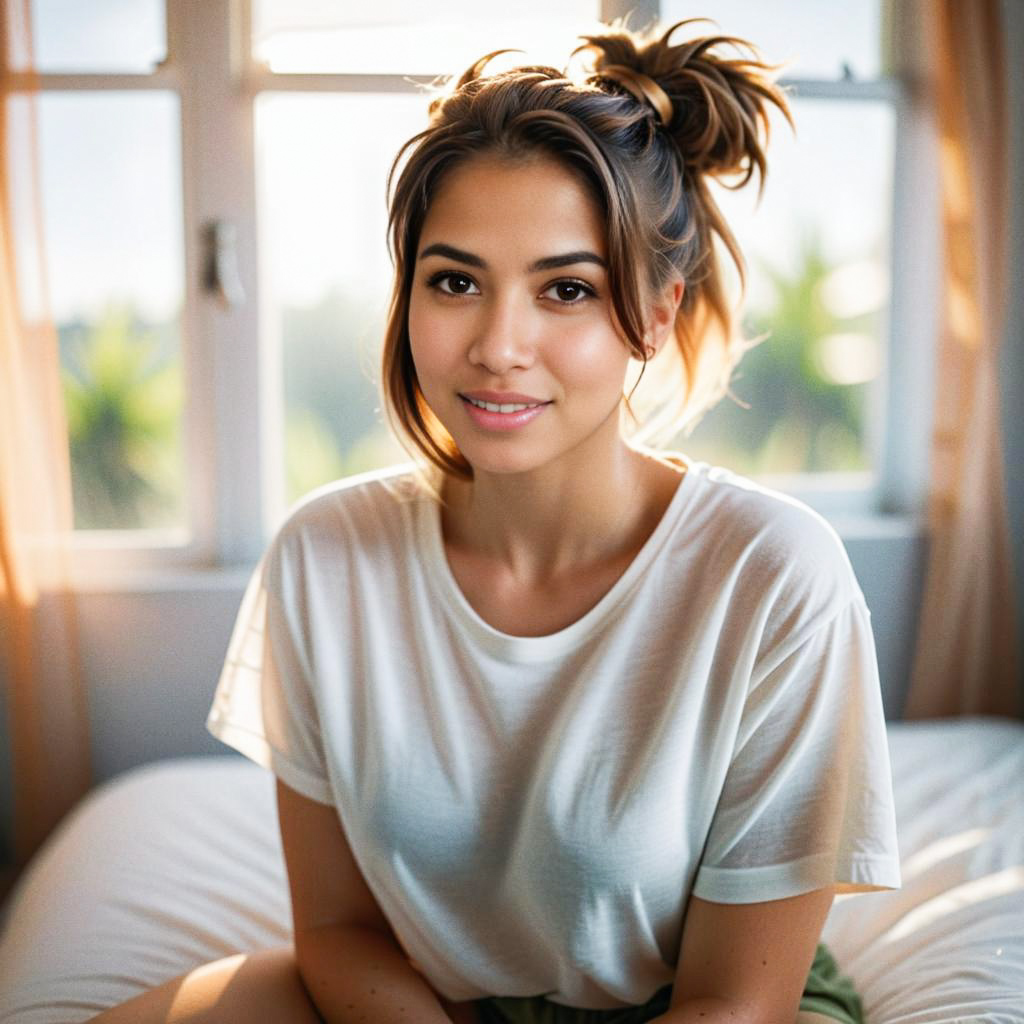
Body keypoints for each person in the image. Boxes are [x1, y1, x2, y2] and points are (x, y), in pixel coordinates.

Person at [89, 15, 901, 1024]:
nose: (497, 345)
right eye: (455, 281)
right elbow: (338, 931)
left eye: (565, 289)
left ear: (654, 313)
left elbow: (737, 1000)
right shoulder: (324, 556)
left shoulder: (774, 573)